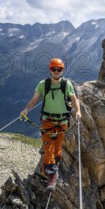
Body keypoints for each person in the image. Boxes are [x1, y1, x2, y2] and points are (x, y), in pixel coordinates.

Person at [20, 58, 81, 189]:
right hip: (47, 121)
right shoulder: (43, 84)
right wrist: (26, 109)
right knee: (48, 148)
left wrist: (78, 111)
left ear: (62, 70)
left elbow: (74, 99)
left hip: (62, 121)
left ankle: (53, 166)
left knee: (57, 147)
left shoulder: (67, 85)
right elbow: (34, 100)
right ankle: (52, 177)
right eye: (54, 69)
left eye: (59, 69)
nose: (56, 71)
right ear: (50, 70)